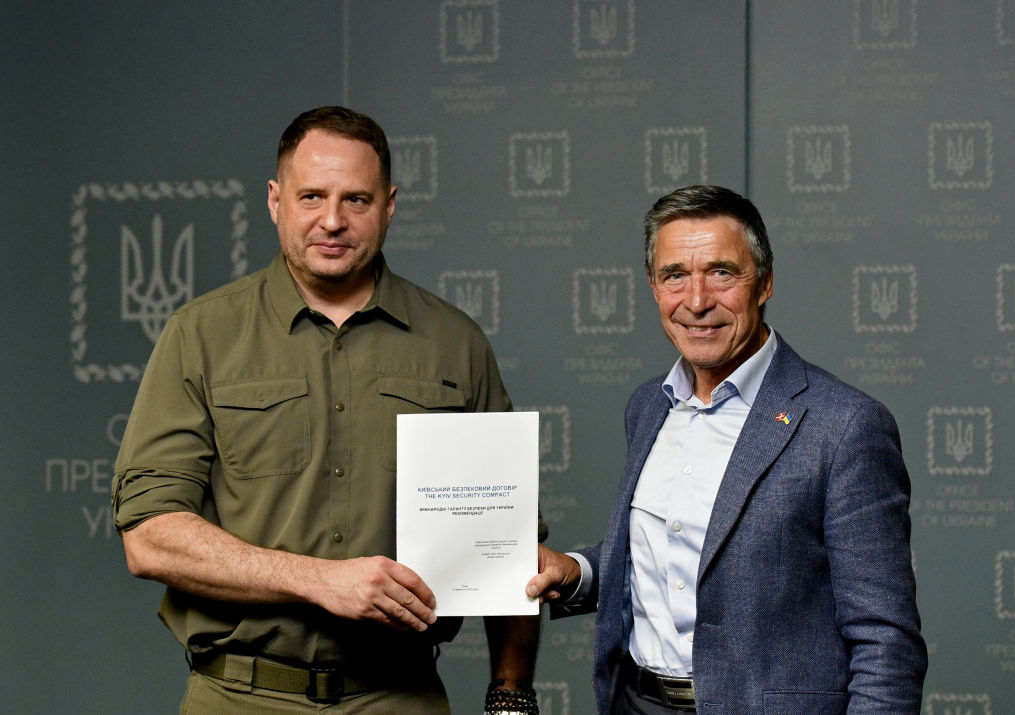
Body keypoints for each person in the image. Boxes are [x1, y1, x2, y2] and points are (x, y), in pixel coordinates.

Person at [112, 105, 542, 714]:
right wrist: (320, 579)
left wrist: (511, 696)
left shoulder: (456, 343)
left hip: (400, 695)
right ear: (275, 200)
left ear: (389, 206)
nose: (333, 221)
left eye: (356, 200)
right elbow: (150, 537)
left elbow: (507, 542)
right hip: (240, 697)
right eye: (311, 196)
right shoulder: (199, 335)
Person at [527, 185, 927, 713]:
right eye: (675, 275)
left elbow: (886, 642)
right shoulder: (649, 405)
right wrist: (578, 571)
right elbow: (681, 552)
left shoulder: (845, 426)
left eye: (721, 272)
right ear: (653, 286)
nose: (696, 301)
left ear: (764, 282)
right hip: (636, 702)